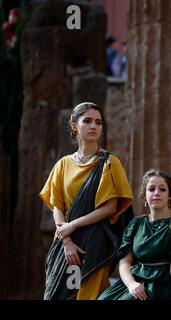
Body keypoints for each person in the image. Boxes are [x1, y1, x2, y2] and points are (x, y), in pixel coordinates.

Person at [39, 102, 133, 300]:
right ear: (74, 125)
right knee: (55, 294)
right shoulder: (63, 164)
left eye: (98, 122)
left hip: (95, 243)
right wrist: (66, 240)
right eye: (87, 121)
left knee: (88, 295)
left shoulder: (109, 162)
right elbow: (57, 206)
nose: (94, 126)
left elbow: (110, 208)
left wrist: (72, 225)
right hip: (66, 244)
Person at [98, 170, 171, 300]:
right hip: (135, 281)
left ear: (170, 195)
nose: (156, 193)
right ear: (144, 195)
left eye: (162, 189)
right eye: (151, 189)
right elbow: (124, 261)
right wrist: (131, 284)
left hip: (162, 284)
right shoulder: (136, 223)